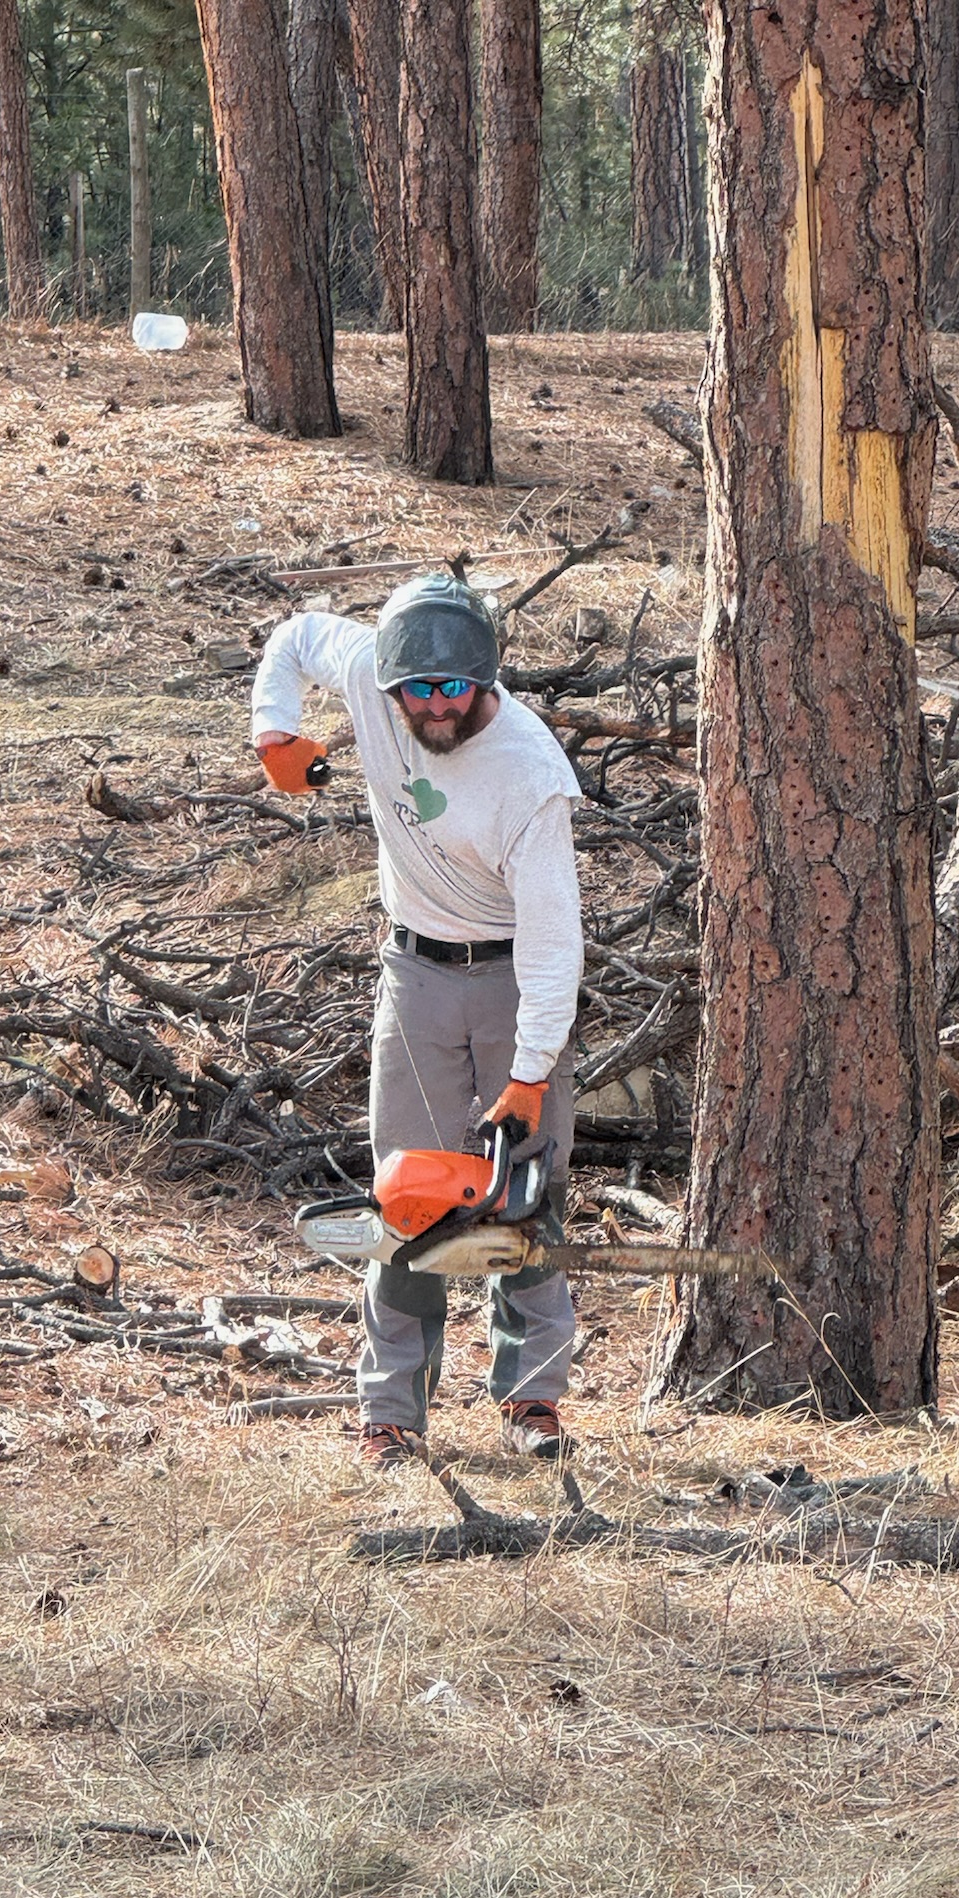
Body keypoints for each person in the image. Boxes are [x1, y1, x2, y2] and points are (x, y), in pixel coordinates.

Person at [248, 573, 584, 1468]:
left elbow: (556, 944)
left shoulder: (529, 773)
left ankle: (533, 1403)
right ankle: (391, 1414)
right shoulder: (367, 669)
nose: (435, 707)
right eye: (417, 691)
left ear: (486, 679)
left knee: (526, 1196)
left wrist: (531, 1071)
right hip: (414, 970)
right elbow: (291, 637)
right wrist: (274, 730)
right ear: (389, 681)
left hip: (514, 979)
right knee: (407, 1197)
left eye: (455, 689)